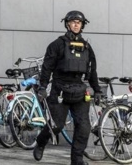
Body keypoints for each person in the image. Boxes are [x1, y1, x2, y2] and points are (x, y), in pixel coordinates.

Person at [33, 10, 103, 165]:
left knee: (84, 127)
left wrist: (97, 89)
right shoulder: (57, 45)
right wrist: (43, 87)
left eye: (79, 22)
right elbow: (47, 68)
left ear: (82, 25)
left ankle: (77, 160)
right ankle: (41, 142)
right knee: (56, 126)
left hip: (79, 89)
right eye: (73, 22)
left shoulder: (86, 47)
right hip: (60, 90)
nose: (76, 25)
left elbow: (92, 71)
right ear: (67, 24)